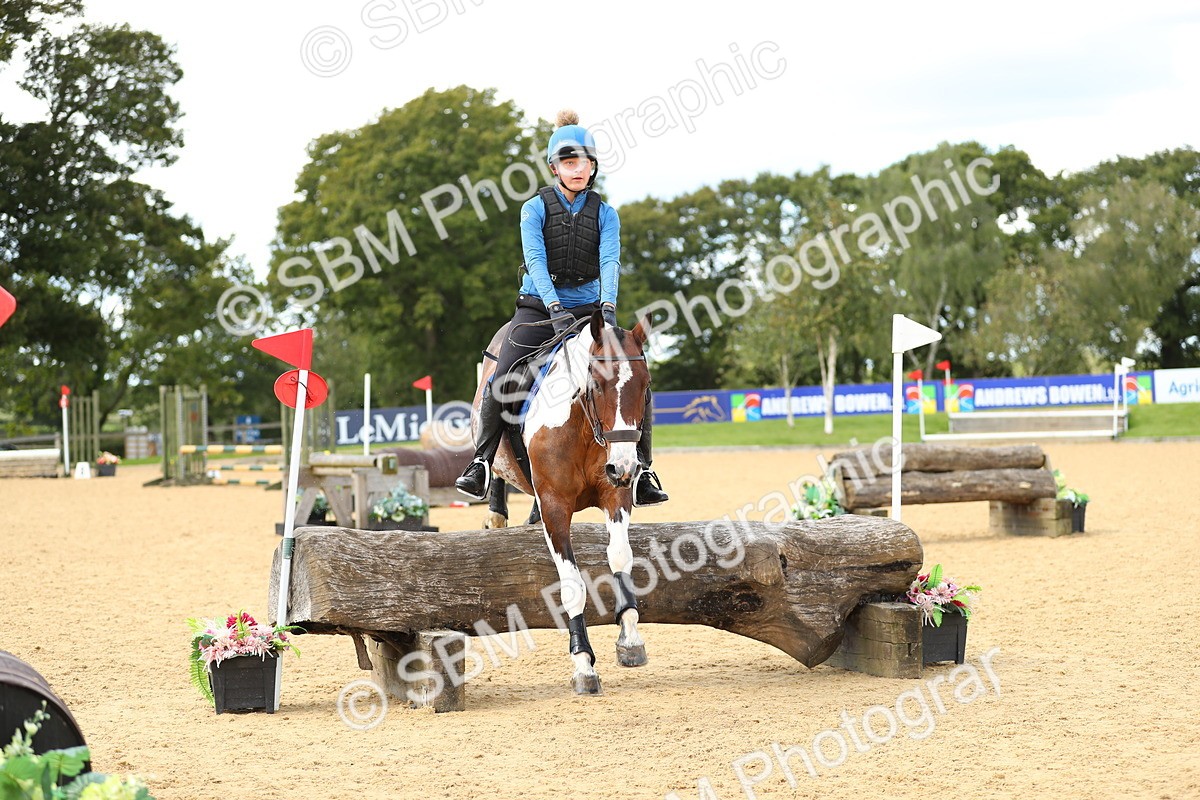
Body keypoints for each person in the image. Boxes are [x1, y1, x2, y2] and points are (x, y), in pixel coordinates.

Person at [455, 109, 668, 508]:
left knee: (631, 371)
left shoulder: (606, 214)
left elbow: (610, 262)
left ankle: (645, 469)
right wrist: (552, 305)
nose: (578, 169)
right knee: (504, 372)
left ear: (593, 167)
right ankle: (481, 462)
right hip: (539, 307)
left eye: (584, 162)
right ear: (555, 167)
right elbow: (535, 261)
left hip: (590, 308)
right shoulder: (533, 210)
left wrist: (607, 306)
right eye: (570, 162)